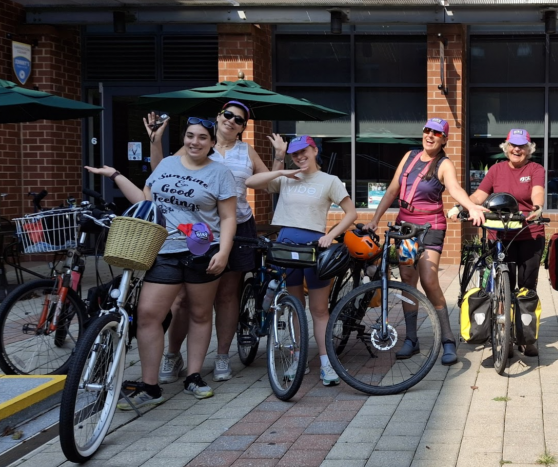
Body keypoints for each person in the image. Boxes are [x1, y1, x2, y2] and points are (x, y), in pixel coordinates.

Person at [86, 117, 237, 408]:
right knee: (148, 315)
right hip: (164, 250)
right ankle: (150, 385)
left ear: (212, 142)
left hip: (203, 249)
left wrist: (225, 251)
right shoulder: (167, 164)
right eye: (190, 136)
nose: (195, 142)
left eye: (202, 137)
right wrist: (116, 175)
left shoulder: (220, 173)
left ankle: (193, 375)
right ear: (184, 138)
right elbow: (145, 201)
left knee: (200, 314)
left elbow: (228, 217)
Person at [147, 102, 283, 385]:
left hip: (237, 223)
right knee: (183, 297)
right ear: (218, 118)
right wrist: (155, 141)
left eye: (239, 120)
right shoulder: (196, 143)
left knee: (227, 294)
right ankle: (173, 354)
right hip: (195, 227)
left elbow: (269, 184)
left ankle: (222, 355)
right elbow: (161, 174)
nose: (232, 121)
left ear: (243, 127)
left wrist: (280, 159)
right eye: (227, 115)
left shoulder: (245, 151)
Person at [365, 118, 485, 366]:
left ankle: (448, 341)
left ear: (444, 139)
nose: (430, 135)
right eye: (427, 130)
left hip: (430, 226)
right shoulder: (409, 156)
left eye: (437, 132)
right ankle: (411, 339)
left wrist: (472, 206)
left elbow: (454, 189)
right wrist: (375, 219)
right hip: (405, 226)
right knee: (408, 280)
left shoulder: (444, 164)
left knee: (429, 280)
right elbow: (391, 191)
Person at [246, 135, 357, 386]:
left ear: (314, 150)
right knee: (295, 306)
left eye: (303, 151)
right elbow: (251, 182)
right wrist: (282, 166)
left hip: (314, 250)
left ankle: (327, 363)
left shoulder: (329, 181)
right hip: (286, 248)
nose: (299, 157)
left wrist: (330, 236)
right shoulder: (286, 177)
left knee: (319, 310)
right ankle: (299, 359)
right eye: (294, 154)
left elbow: (351, 213)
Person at [468, 128, 546, 357]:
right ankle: (504, 334)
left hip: (529, 233)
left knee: (527, 287)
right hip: (500, 236)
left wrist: (538, 208)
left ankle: (527, 336)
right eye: (513, 145)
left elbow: (538, 194)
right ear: (506, 147)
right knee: (504, 288)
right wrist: (467, 206)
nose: (517, 149)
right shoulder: (496, 169)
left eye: (522, 145)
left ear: (529, 149)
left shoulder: (535, 169)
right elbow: (479, 196)